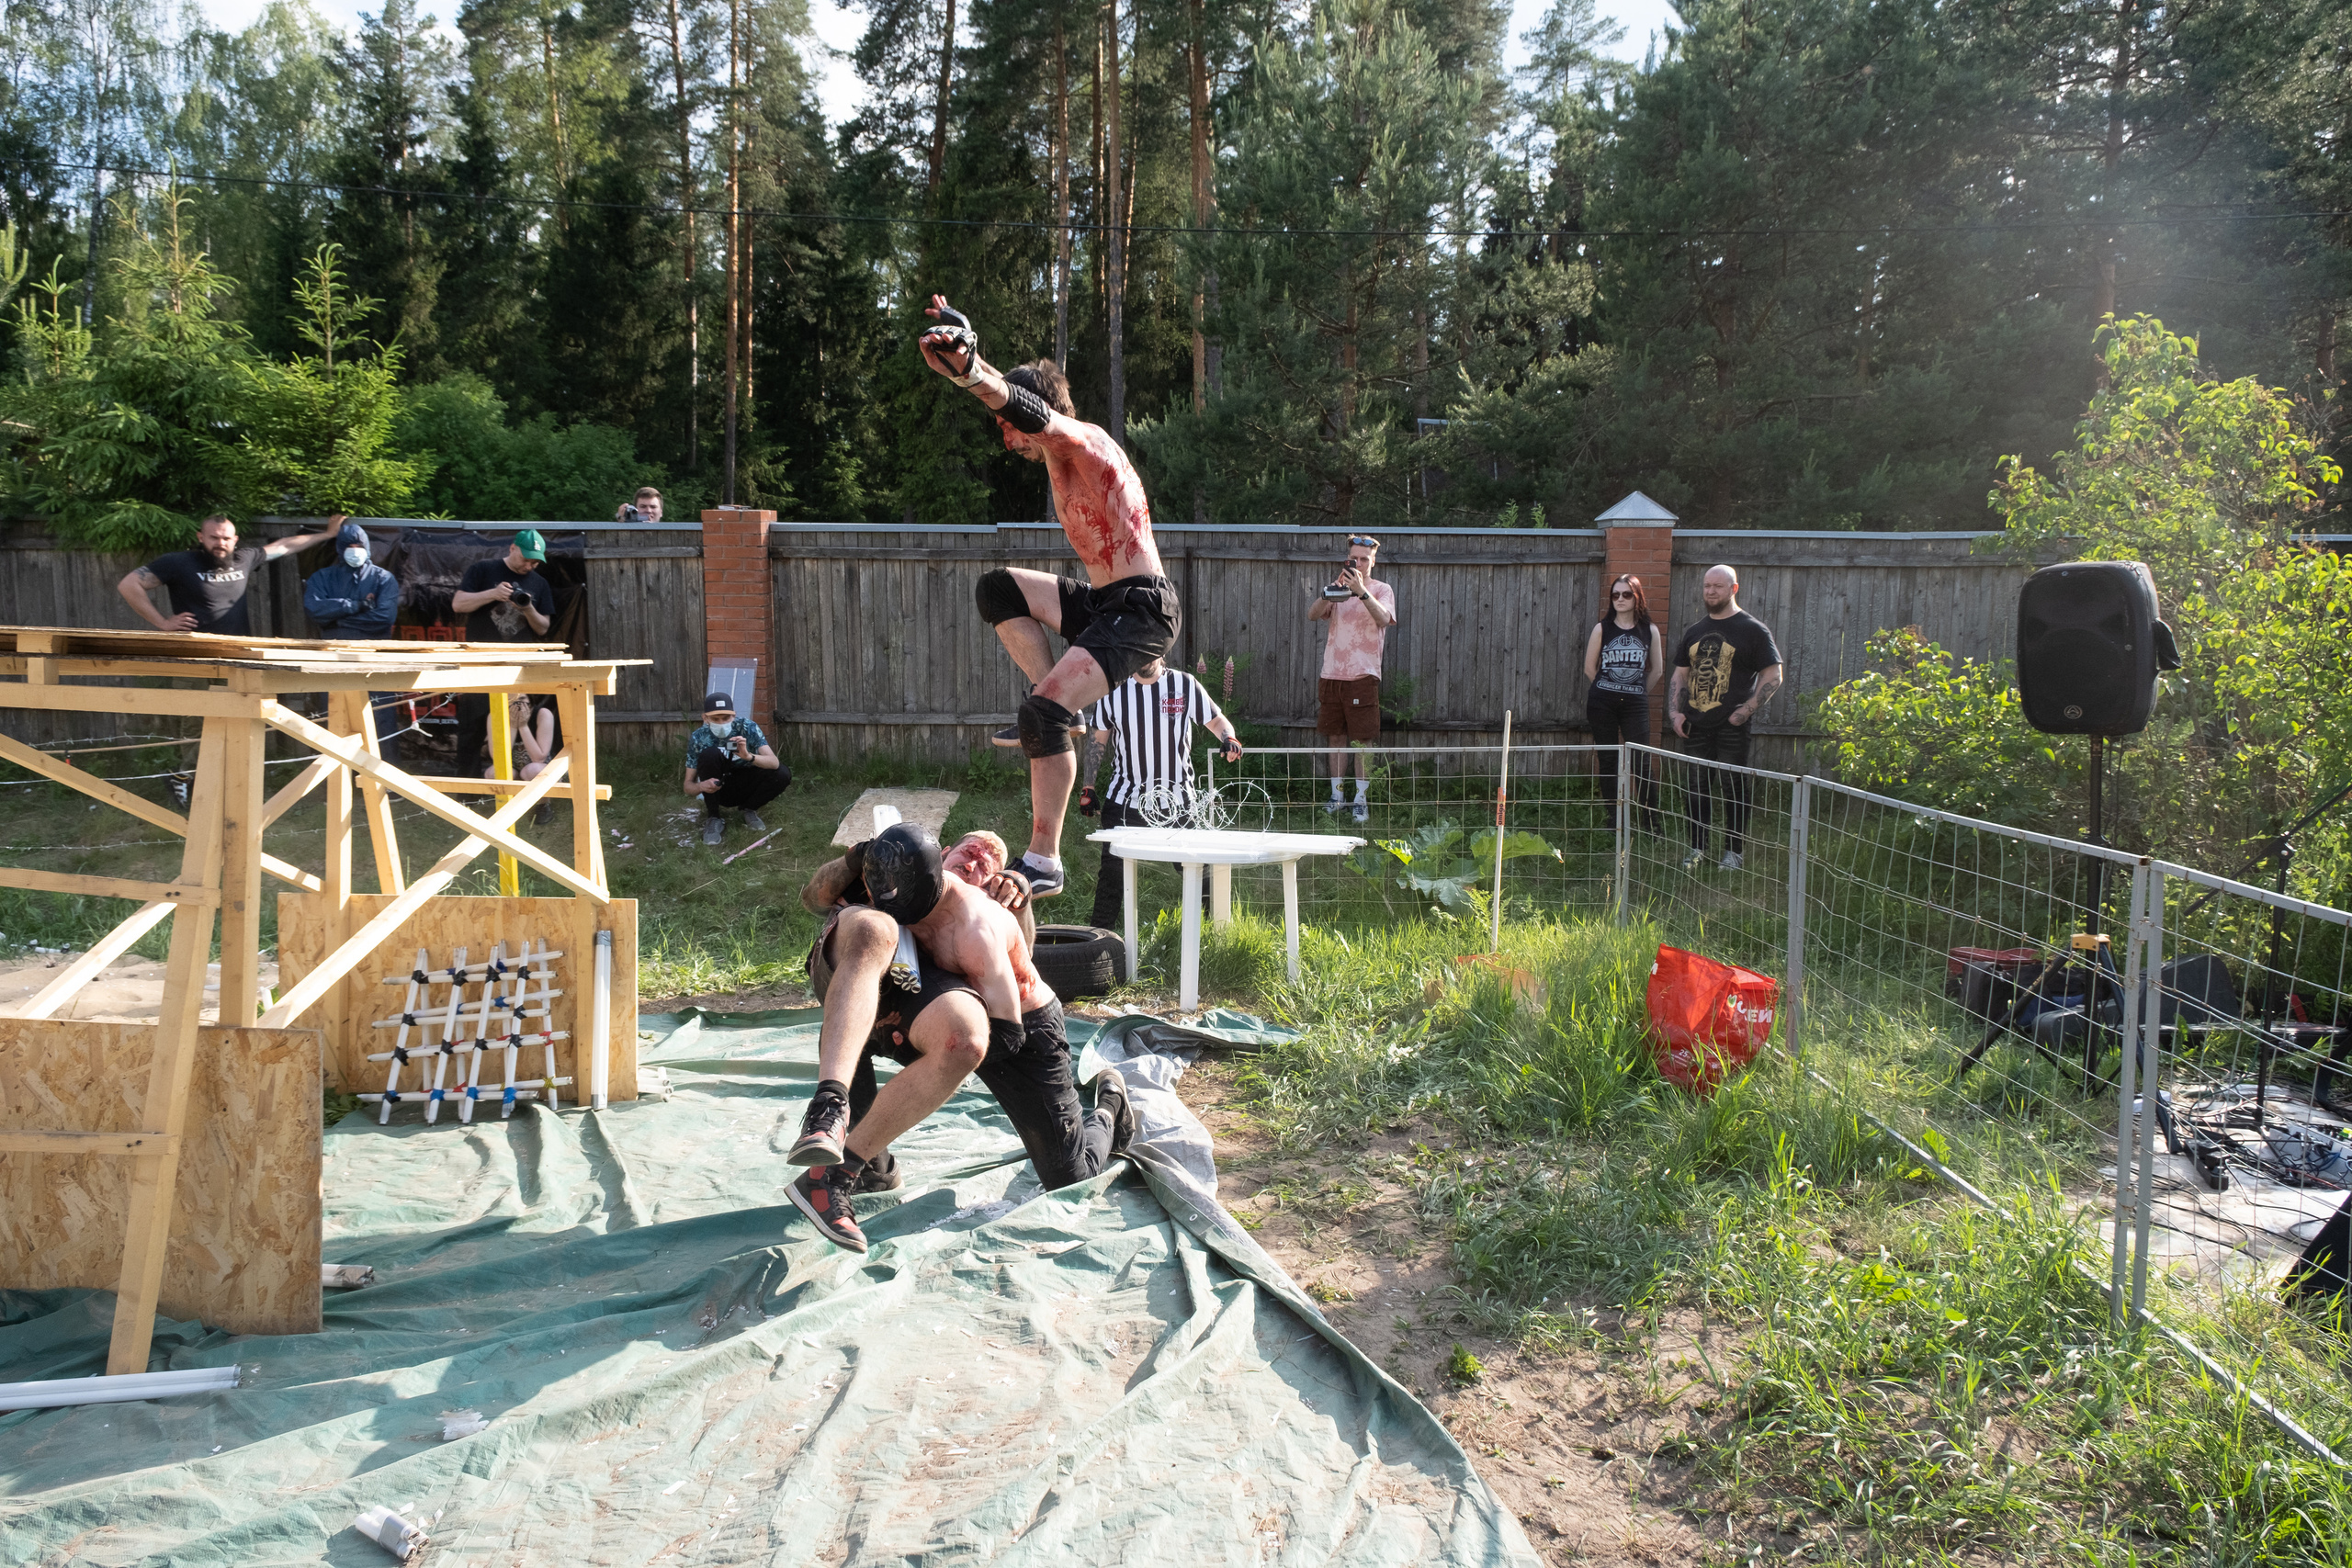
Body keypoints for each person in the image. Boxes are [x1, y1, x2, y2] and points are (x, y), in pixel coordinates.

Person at [919, 296, 1179, 899]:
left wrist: (971, 371)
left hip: (1143, 609)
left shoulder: (1084, 443)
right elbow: (1018, 399)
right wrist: (967, 353)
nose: (1004, 436)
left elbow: (1030, 409)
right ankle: (1064, 708)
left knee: (1042, 716)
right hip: (1106, 603)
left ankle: (1044, 860)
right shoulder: (1058, 458)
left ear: (1038, 413)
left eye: (1008, 424)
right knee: (998, 588)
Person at [786, 824, 1135, 1253]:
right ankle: (863, 1162)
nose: (974, 863)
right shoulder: (899, 873)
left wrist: (1021, 895)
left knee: (1070, 1177)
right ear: (942, 855)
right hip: (941, 1003)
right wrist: (857, 856)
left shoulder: (978, 922)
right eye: (968, 852)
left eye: (987, 866)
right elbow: (814, 898)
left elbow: (1009, 1027)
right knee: (852, 1022)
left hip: (1019, 1031)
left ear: (993, 884)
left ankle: (1109, 1106)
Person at [1076, 659, 1244, 932]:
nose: (1144, 658)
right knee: (1112, 876)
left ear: (1162, 650)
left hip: (1179, 801)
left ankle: (1213, 936)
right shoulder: (1112, 691)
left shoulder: (1184, 684)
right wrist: (1088, 788)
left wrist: (1229, 737)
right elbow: (1097, 741)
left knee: (1198, 870)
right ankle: (1099, 941)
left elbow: (1215, 719)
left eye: (1150, 652)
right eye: (1138, 652)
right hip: (1125, 800)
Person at [1668, 565, 1783, 873]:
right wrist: (1675, 712)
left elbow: (1773, 674)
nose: (1710, 592)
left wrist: (1746, 710)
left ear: (1734, 589)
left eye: (1718, 586)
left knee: (1734, 788)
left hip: (1731, 725)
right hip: (1695, 724)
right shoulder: (1695, 630)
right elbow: (1680, 674)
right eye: (1707, 586)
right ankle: (1697, 848)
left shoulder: (1753, 629)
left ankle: (1734, 852)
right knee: (1696, 788)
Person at [116, 513, 345, 637]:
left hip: (237, 651)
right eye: (214, 538)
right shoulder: (179, 562)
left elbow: (284, 545)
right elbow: (129, 585)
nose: (220, 543)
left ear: (235, 540)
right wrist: (163, 623)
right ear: (201, 537)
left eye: (226, 538)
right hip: (193, 654)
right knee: (198, 711)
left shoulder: (244, 559)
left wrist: (327, 535)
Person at [301, 519, 409, 761]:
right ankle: (335, 776)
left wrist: (337, 620)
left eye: (359, 545)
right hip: (333, 659)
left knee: (380, 717)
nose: (354, 550)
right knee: (333, 714)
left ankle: (383, 775)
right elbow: (314, 610)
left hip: (374, 660)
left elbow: (384, 618)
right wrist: (356, 606)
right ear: (340, 548)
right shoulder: (322, 578)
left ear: (367, 547)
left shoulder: (383, 579)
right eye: (349, 545)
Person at [449, 530, 557, 774]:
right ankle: (468, 790)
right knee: (472, 728)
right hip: (480, 665)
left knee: (517, 723)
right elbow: (458, 604)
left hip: (517, 668)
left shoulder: (539, 583)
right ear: (512, 548)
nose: (529, 566)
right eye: (526, 559)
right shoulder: (483, 570)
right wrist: (493, 594)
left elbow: (543, 628)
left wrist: (528, 608)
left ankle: (518, 781)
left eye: (535, 562)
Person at [1306, 534, 1396, 824]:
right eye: (1354, 558)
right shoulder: (1338, 588)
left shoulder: (1381, 590)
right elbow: (1313, 615)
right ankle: (1338, 796)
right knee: (1335, 736)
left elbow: (1383, 619)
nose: (1358, 563)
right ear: (1347, 560)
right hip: (1332, 673)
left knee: (1362, 740)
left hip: (1363, 675)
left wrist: (1361, 591)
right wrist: (1328, 593)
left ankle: (1361, 800)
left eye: (1364, 559)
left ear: (1373, 561)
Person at [1582, 571, 1665, 833]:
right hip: (1602, 703)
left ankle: (1651, 824)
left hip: (1634, 706)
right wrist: (1609, 688)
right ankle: (1614, 821)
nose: (1620, 599)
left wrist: (1636, 691)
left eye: (1626, 594)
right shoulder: (1602, 628)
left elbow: (1657, 670)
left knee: (1641, 762)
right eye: (1615, 595)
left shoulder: (1650, 631)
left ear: (1637, 597)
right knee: (1608, 760)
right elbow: (1589, 668)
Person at [683, 692, 791, 846]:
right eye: (715, 719)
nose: (721, 723)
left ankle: (749, 809)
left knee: (783, 773)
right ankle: (713, 817)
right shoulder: (698, 737)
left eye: (726, 718)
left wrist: (748, 756)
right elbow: (687, 786)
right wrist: (701, 786)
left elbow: (774, 763)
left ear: (733, 716)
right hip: (719, 787)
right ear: (705, 718)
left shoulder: (747, 727)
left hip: (747, 782)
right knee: (710, 754)